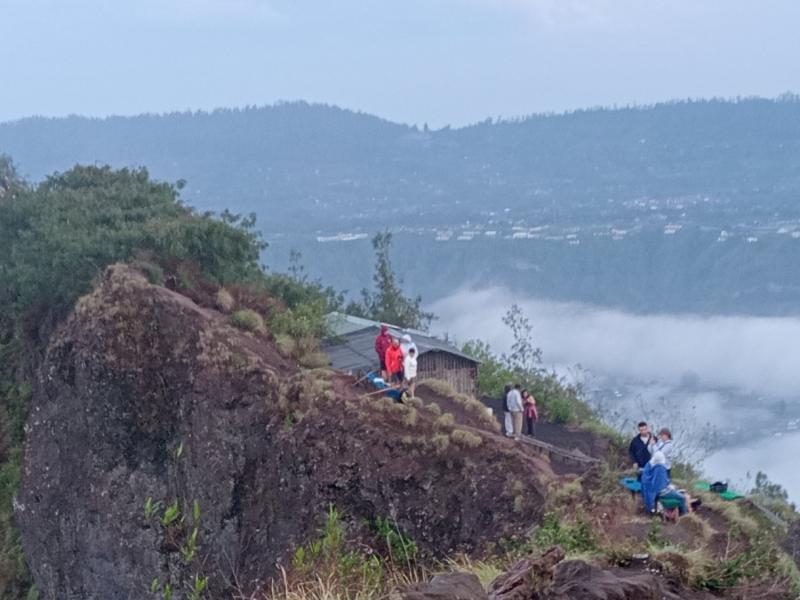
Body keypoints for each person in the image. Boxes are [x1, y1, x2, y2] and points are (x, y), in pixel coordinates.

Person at [641, 451, 687, 516]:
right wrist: (670, 487)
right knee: (683, 498)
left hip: (652, 492)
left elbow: (657, 482)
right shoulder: (660, 468)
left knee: (677, 492)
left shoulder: (650, 465)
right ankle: (684, 516)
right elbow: (661, 486)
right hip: (662, 493)